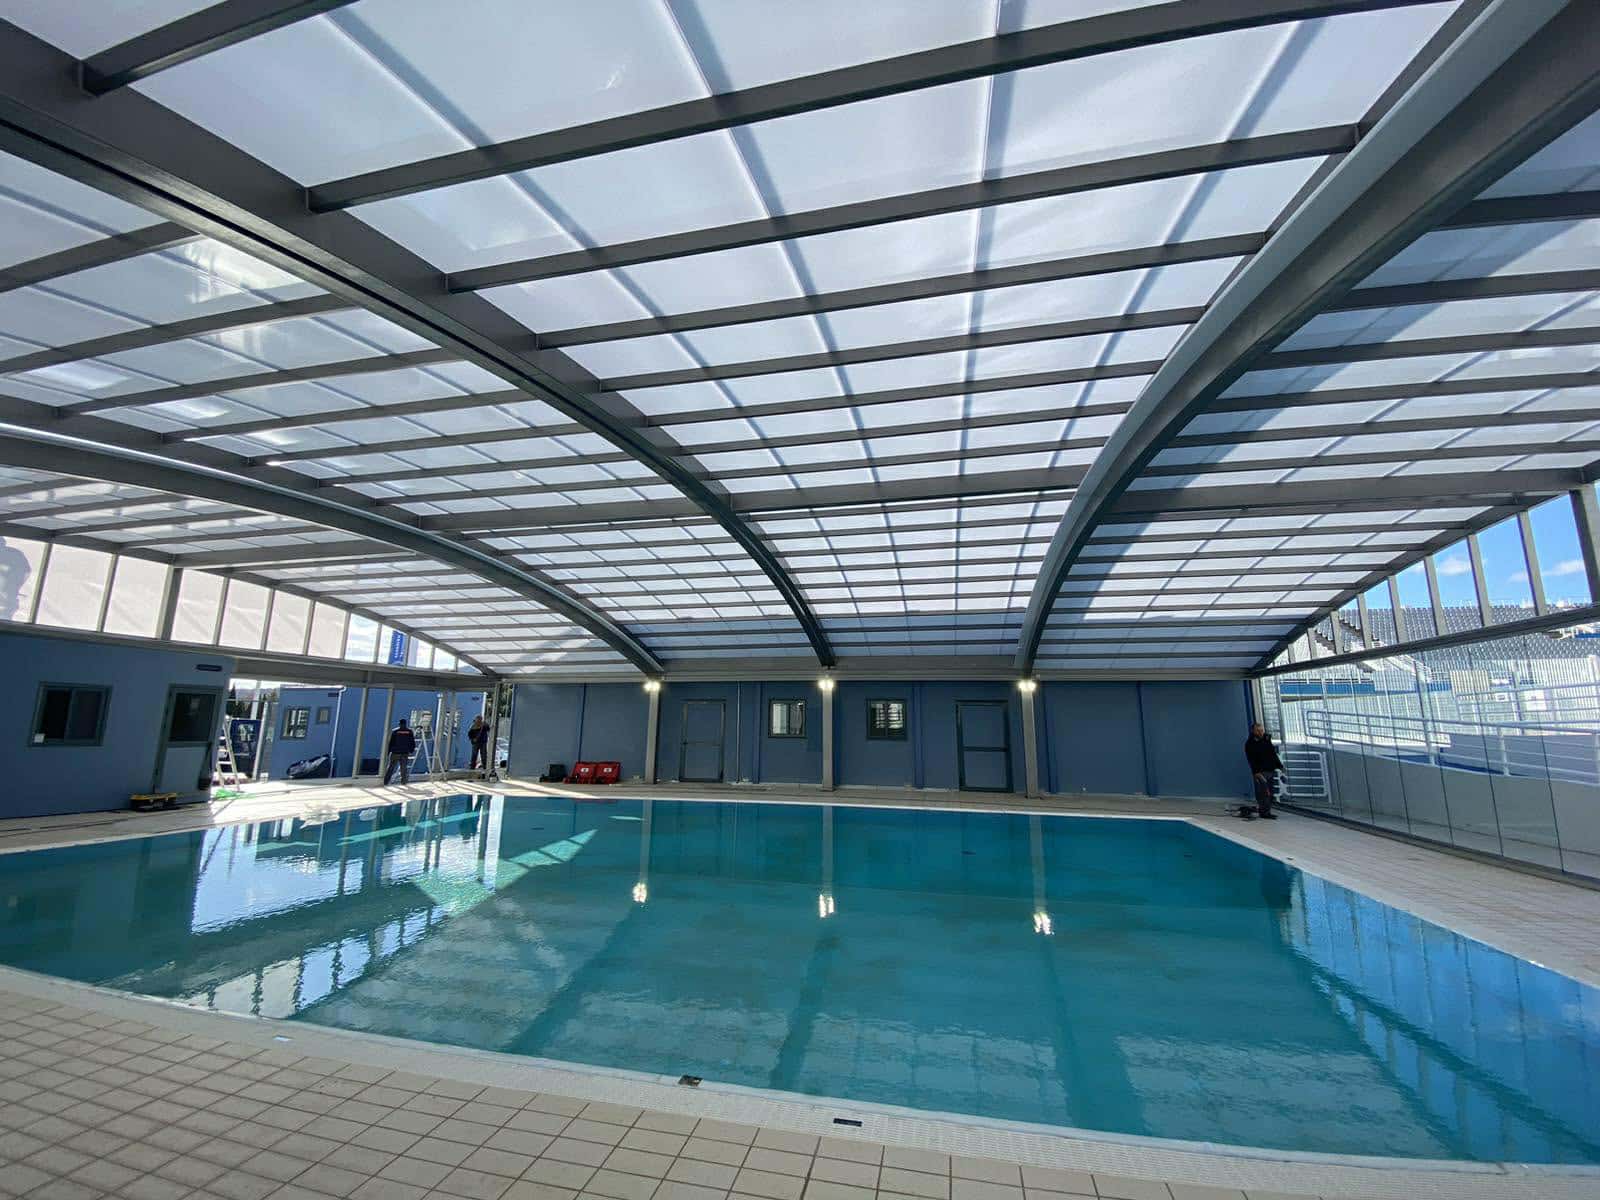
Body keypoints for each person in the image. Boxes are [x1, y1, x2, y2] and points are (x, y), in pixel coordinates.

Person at [1244, 722, 1284, 819]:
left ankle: (1266, 810)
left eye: (1261, 730)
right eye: (1258, 731)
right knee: (1263, 792)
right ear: (1253, 731)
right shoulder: (1250, 744)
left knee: (1270, 792)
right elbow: (1251, 759)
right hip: (1260, 772)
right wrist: (1256, 772)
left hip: (1270, 769)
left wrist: (1280, 766)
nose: (1260, 732)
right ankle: (1264, 812)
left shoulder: (1266, 740)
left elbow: (1272, 754)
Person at [383, 718, 417, 786]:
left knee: (391, 768)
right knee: (403, 769)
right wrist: (411, 750)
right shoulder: (409, 732)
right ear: (405, 724)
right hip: (405, 753)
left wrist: (388, 752)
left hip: (395, 753)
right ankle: (403, 782)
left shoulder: (395, 731)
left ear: (399, 724)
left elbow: (391, 743)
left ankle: (385, 782)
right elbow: (412, 742)